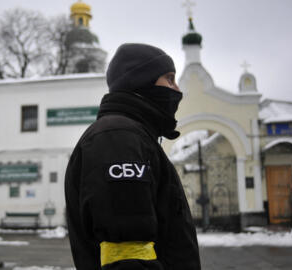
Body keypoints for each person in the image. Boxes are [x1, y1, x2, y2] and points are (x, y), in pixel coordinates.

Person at [64, 43, 201, 269]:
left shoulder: (133, 136)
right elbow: (128, 258)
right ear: (141, 79)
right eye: (169, 78)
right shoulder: (119, 138)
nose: (177, 89)